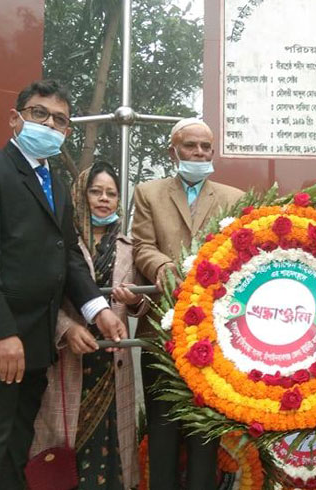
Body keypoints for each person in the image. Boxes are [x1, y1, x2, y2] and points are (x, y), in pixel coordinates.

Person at [0, 79, 126, 490]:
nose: (49, 124)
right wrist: (0, 333)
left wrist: (98, 309)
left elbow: (68, 257)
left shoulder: (56, 185)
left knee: (15, 451)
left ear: (66, 132)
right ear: (16, 118)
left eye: (59, 120)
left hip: (36, 348)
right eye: (39, 113)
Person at [132, 118, 244, 489]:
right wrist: (161, 266)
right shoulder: (148, 193)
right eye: (190, 146)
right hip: (161, 330)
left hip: (214, 337)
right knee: (162, 426)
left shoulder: (234, 198)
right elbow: (142, 246)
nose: (198, 153)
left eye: (205, 147)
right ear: (173, 151)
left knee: (205, 430)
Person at [31, 161, 144, 489]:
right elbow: (43, 298)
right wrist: (65, 329)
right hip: (69, 356)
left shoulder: (127, 247)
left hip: (112, 363)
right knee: (63, 445)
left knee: (110, 448)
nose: (104, 199)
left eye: (111, 193)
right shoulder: (60, 242)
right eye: (96, 191)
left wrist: (135, 300)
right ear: (81, 195)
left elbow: (140, 304)